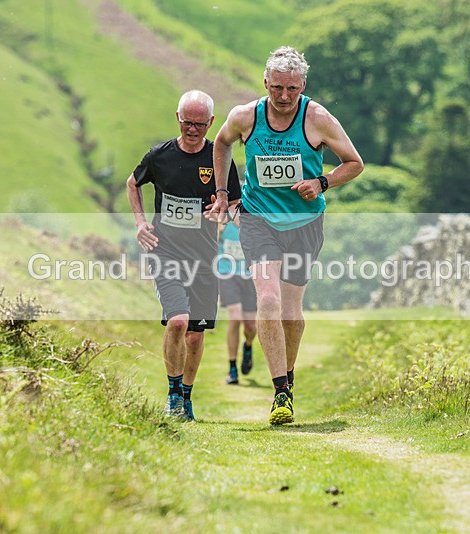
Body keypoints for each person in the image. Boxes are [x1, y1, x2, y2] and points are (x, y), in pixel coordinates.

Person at [210, 46, 363, 424]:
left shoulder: (318, 119)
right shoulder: (245, 116)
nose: (283, 97)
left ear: (303, 86)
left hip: (305, 224)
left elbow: (355, 163)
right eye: (277, 87)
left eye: (291, 89)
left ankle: (288, 381)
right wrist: (223, 194)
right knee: (268, 300)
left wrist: (321, 182)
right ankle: (280, 392)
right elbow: (221, 142)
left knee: (292, 313)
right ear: (265, 83)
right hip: (258, 219)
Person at [127, 89, 241, 422]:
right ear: (178, 118)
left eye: (200, 124)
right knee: (177, 321)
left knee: (195, 333)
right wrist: (140, 223)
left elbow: (233, 203)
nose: (193, 130)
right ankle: (173, 393)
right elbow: (133, 183)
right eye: (187, 123)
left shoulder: (219, 159)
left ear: (211, 122)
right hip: (166, 251)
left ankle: (186, 397)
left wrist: (223, 209)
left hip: (205, 257)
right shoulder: (159, 155)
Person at [217, 219, 257, 385]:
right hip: (227, 275)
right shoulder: (223, 221)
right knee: (235, 318)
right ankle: (232, 368)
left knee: (250, 327)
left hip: (249, 276)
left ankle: (248, 346)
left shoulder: (254, 219)